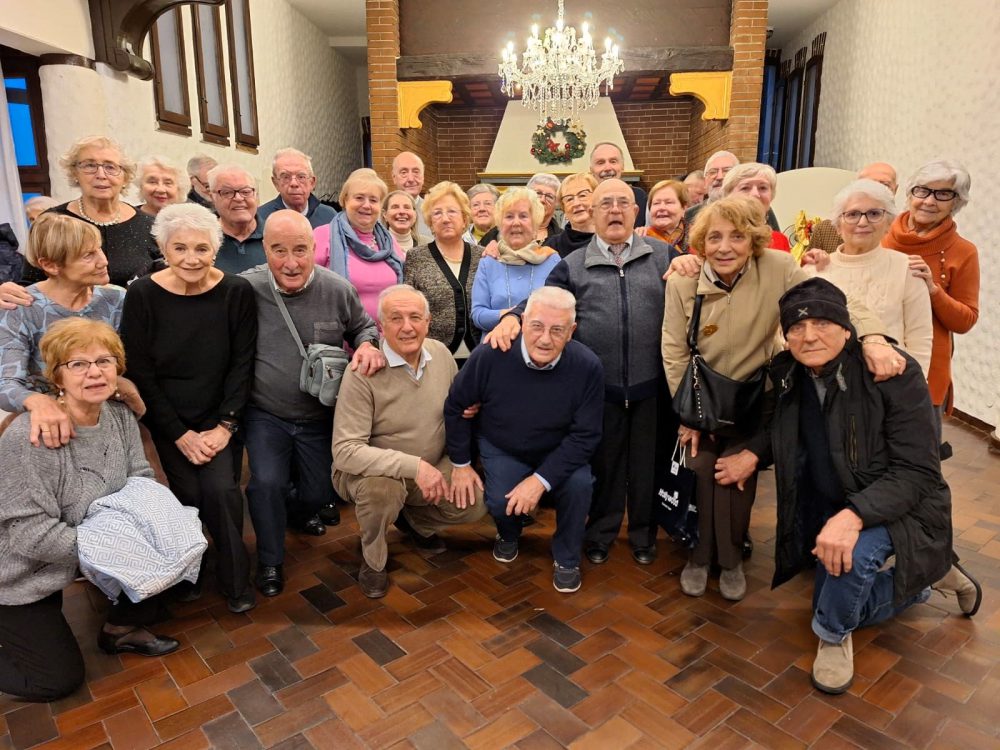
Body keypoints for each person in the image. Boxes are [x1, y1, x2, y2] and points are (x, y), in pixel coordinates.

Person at [733, 278, 977, 694]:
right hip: (835, 497)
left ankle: (833, 636)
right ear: (785, 335)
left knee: (841, 570)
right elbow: (781, 426)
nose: (809, 336)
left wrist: (853, 516)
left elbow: (919, 472)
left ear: (848, 329)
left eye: (823, 323)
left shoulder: (891, 373)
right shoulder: (788, 373)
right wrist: (755, 453)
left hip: (902, 502)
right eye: (796, 327)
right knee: (830, 582)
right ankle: (928, 573)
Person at [662, 197, 904, 602]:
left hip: (755, 399)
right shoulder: (683, 283)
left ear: (754, 240)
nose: (725, 247)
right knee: (704, 468)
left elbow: (835, 300)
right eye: (715, 237)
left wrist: (874, 336)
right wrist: (687, 412)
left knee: (738, 475)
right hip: (702, 400)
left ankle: (731, 561)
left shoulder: (778, 268)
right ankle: (701, 557)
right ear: (701, 243)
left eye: (737, 236)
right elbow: (673, 351)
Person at [486, 178, 679, 566]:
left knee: (645, 467)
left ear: (635, 210)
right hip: (599, 388)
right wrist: (514, 317)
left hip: (651, 387)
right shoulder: (574, 264)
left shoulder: (663, 255)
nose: (614, 210)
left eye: (622, 203)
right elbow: (544, 302)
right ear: (592, 212)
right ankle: (602, 534)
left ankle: (643, 534)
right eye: (605, 203)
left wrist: (692, 260)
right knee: (605, 466)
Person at [0, 318, 180, 702]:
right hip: (15, 575)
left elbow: (139, 478)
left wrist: (153, 534)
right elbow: (30, 535)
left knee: (171, 561)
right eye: (78, 364)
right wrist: (113, 547)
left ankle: (121, 630)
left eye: (104, 361)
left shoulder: (119, 415)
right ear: (57, 377)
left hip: (77, 550)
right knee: (56, 681)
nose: (95, 372)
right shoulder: (29, 436)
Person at [120, 203, 257, 613]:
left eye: (201, 248)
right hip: (169, 418)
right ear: (163, 247)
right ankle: (190, 571)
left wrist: (226, 426)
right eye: (180, 248)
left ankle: (236, 579)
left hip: (220, 416)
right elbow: (140, 371)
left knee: (221, 491)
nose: (191, 259)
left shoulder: (236, 291)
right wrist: (177, 433)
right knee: (186, 496)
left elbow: (242, 363)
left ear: (215, 249)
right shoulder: (142, 294)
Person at [242, 210, 383, 598]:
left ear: (314, 249)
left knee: (322, 493)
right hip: (265, 412)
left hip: (320, 414)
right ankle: (270, 561)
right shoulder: (245, 289)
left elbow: (363, 327)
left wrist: (368, 345)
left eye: (300, 250)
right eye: (279, 250)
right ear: (265, 249)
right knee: (265, 483)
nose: (291, 262)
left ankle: (299, 508)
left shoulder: (337, 289)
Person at [445, 287, 603, 592]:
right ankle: (508, 533)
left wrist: (540, 480)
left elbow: (586, 435)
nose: (545, 339)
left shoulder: (587, 366)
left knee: (580, 485)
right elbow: (455, 406)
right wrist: (462, 463)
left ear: (571, 332)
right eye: (537, 326)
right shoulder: (490, 354)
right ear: (522, 322)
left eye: (557, 330)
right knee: (499, 500)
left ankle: (567, 556)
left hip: (560, 448)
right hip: (503, 444)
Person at [332, 285, 486, 598]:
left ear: (428, 323)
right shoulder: (363, 371)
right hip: (372, 473)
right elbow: (346, 452)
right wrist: (414, 467)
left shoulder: (441, 354)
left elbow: (456, 406)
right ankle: (373, 559)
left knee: (474, 503)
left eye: (415, 317)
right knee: (382, 492)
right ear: (381, 326)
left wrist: (470, 409)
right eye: (396, 318)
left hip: (430, 464)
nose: (407, 327)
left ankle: (414, 520)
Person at [0, 213, 138, 446]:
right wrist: (37, 401)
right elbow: (6, 384)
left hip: (108, 414)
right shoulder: (21, 307)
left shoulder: (118, 300)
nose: (103, 261)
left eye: (99, 249)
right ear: (49, 265)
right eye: (88, 255)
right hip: (47, 423)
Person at [883, 159, 979, 429]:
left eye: (943, 194)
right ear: (909, 194)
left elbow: (965, 320)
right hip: (871, 360)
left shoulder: (964, 251)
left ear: (956, 202)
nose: (929, 201)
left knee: (918, 461)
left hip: (925, 371)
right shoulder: (878, 233)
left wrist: (933, 289)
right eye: (922, 190)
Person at [809, 179, 932, 375]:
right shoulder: (815, 270)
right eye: (852, 214)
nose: (863, 222)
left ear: (888, 223)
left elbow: (920, 339)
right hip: (827, 388)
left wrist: (913, 389)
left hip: (888, 387)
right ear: (838, 226)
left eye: (874, 214)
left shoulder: (907, 269)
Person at [13, 136, 162, 289]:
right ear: (75, 173)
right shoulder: (51, 221)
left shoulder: (150, 225)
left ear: (125, 177)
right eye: (90, 166)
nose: (101, 175)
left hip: (136, 312)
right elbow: (31, 284)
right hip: (67, 312)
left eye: (110, 167)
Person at [403, 181, 483, 363]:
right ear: (430, 222)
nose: (445, 218)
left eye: (452, 212)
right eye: (437, 213)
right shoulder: (416, 257)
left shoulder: (483, 255)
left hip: (479, 358)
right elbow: (410, 306)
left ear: (464, 219)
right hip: (434, 358)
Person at [314, 168, 405, 323]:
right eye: (359, 198)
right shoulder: (323, 236)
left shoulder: (389, 240)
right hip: (343, 337)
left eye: (374, 200)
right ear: (345, 200)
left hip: (388, 337)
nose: (367, 205)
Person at [472, 187, 560, 333]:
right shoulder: (489, 262)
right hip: (496, 349)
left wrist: (518, 316)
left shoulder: (552, 261)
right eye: (509, 216)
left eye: (523, 216)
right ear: (500, 224)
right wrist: (508, 315)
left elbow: (560, 311)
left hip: (542, 347)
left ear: (535, 224)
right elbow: (478, 315)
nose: (516, 223)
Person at [807, 162, 898, 253]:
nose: (877, 192)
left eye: (885, 186)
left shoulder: (902, 233)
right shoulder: (825, 231)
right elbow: (808, 264)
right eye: (869, 185)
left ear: (895, 190)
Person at [257, 148, 338, 229]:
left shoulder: (329, 216)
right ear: (275, 183)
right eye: (285, 177)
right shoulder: (260, 218)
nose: (294, 183)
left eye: (301, 177)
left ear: (312, 182)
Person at [721, 163, 791, 251]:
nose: (755, 194)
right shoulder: (711, 237)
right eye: (745, 188)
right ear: (728, 196)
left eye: (762, 188)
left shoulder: (779, 240)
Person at [210, 164, 266, 274]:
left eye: (245, 192)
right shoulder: (202, 239)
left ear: (256, 195)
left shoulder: (274, 237)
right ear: (212, 197)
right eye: (227, 192)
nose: (238, 198)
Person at [589, 142, 647, 226]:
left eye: (613, 161)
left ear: (622, 166)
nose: (607, 168)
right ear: (591, 170)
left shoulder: (639, 196)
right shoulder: (585, 200)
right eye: (600, 163)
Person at [543, 173, 597, 257]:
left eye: (582, 195)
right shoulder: (552, 247)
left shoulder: (611, 239)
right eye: (569, 199)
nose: (576, 203)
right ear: (563, 208)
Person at [643, 179, 690, 251]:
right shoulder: (641, 239)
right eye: (656, 203)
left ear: (684, 208)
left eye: (669, 202)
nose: (661, 208)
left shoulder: (699, 237)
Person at [391, 151, 429, 236]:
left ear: (423, 177)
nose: (411, 179)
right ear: (394, 178)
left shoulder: (434, 212)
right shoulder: (379, 216)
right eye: (404, 172)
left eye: (416, 172)